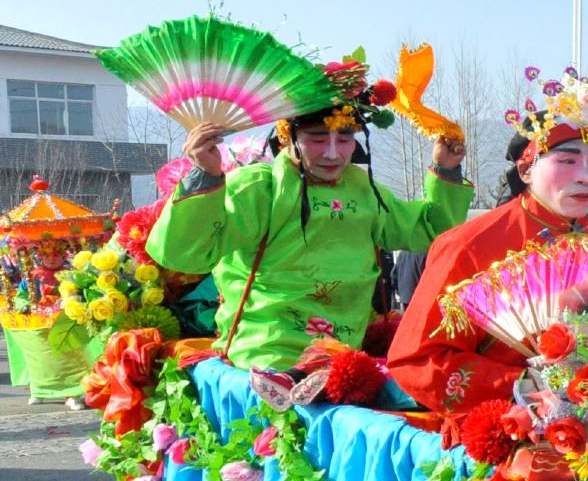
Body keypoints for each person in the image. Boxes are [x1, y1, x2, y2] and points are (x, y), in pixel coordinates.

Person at [148, 61, 470, 370]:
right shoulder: (259, 188)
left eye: (344, 138)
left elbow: (431, 229)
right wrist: (206, 175)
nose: (333, 153)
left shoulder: (363, 189)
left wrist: (446, 169)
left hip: (344, 357)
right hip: (264, 359)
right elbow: (184, 253)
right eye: (317, 138)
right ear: (289, 135)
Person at [389, 75, 588, 416]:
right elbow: (417, 360)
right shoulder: (471, 245)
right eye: (567, 161)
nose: (585, 175)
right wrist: (522, 385)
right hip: (504, 432)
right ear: (526, 170)